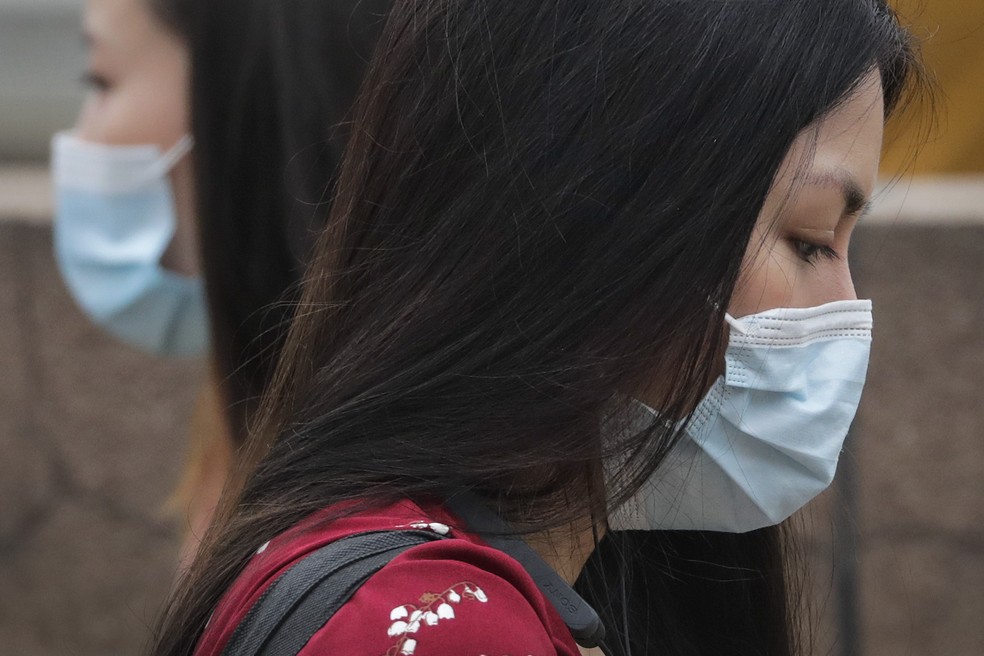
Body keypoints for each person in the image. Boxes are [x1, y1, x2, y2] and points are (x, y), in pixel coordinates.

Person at [153, 1, 925, 655]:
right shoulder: (440, 627)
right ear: (605, 216)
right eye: (811, 239)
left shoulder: (471, 587)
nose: (844, 307)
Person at [50, 0, 389, 567]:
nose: (82, 135)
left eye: (101, 80)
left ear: (250, 99)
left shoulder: (372, 554)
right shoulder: (250, 417)